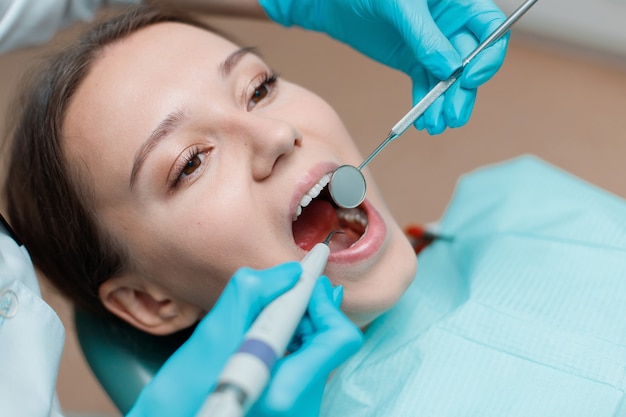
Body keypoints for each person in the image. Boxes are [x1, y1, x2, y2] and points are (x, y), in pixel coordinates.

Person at [0, 2, 510, 416]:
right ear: (149, 301)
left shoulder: (514, 208)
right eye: (190, 162)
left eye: (259, 88)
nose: (276, 135)